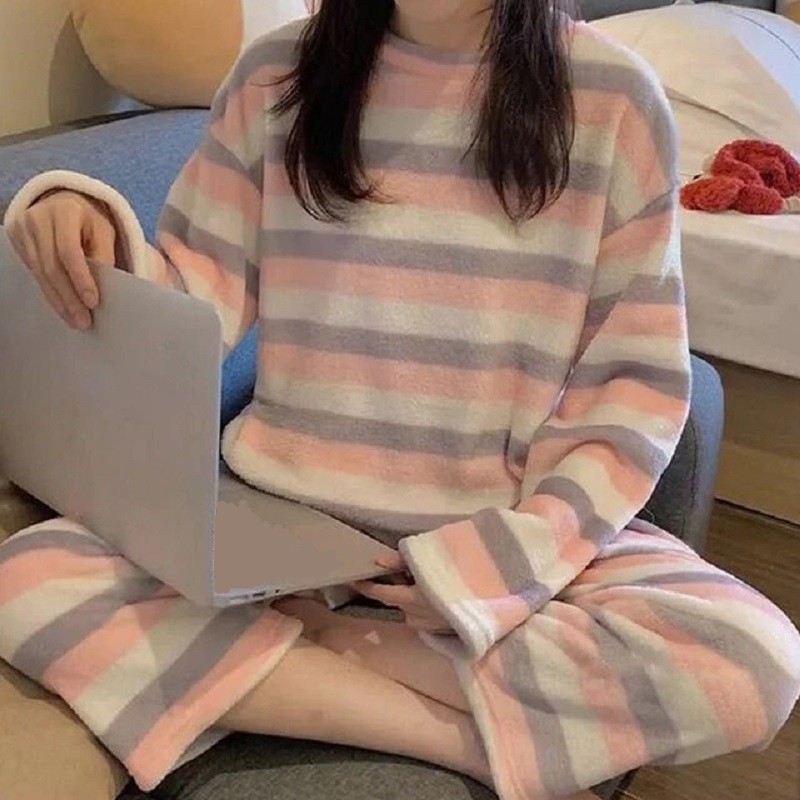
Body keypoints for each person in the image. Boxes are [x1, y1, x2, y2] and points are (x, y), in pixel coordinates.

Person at [2, 1, 799, 798]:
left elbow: (630, 393)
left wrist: (503, 563)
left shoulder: (615, 98)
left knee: (750, 658)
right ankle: (460, 741)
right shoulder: (275, 76)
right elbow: (190, 303)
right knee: (27, 579)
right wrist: (87, 227)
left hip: (493, 522)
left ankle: (295, 662)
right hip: (280, 524)